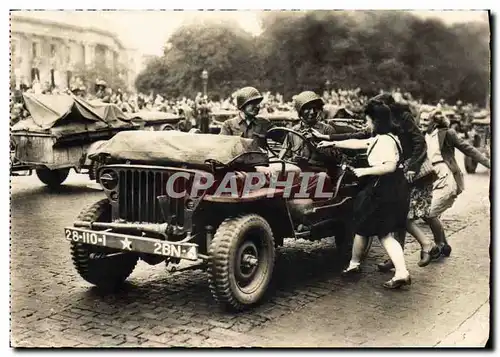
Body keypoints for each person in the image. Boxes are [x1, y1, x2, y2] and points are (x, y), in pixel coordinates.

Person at [313, 93, 439, 269]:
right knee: (396, 220)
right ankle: (404, 258)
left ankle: (423, 248)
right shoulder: (383, 131)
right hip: (397, 174)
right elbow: (360, 138)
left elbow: (419, 144)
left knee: (399, 218)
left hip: (410, 171)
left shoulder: (399, 122)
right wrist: (329, 139)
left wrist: (411, 167)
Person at [317, 100, 411, 289]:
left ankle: (402, 272)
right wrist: (331, 141)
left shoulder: (384, 141)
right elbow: (361, 142)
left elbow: (389, 166)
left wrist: (363, 172)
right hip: (390, 188)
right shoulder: (387, 137)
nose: (366, 124)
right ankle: (354, 264)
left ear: (376, 121)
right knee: (363, 227)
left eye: (368, 120)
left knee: (383, 234)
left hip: (384, 189)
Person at [416, 110, 491, 256]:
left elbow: (468, 149)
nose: (422, 123)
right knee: (426, 212)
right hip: (430, 176)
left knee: (430, 213)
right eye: (421, 119)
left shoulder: (446, 133)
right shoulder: (421, 135)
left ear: (435, 121)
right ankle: (444, 245)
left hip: (446, 176)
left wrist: (489, 163)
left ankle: (438, 245)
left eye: (426, 120)